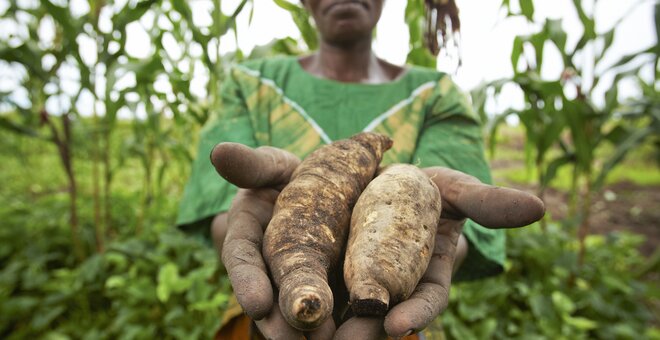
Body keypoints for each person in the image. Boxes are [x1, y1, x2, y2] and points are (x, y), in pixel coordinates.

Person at [176, 0, 544, 339]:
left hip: (389, 325)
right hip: (265, 316)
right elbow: (220, 213)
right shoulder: (250, 83)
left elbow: (453, 227)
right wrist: (282, 243)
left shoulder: (435, 93)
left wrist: (415, 244)